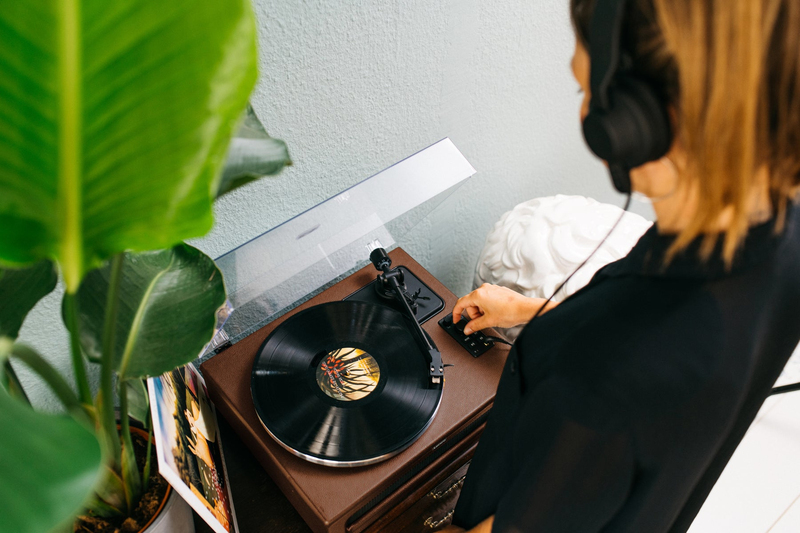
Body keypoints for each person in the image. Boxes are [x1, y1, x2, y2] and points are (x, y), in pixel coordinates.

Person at [441, 0, 800, 531]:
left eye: (589, 93)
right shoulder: (771, 222)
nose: (588, 118)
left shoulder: (612, 374)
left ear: (645, 119)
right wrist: (527, 308)